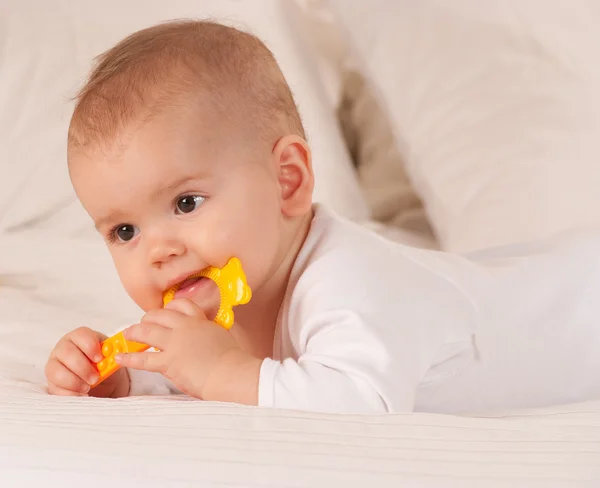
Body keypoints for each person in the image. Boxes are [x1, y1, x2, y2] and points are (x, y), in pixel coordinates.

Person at [45, 20, 600, 414]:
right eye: (125, 231)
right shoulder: (231, 292)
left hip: (576, 309)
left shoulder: (349, 280)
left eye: (186, 203)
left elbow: (361, 400)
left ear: (287, 180)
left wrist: (218, 373)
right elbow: (197, 365)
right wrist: (120, 377)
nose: (157, 250)